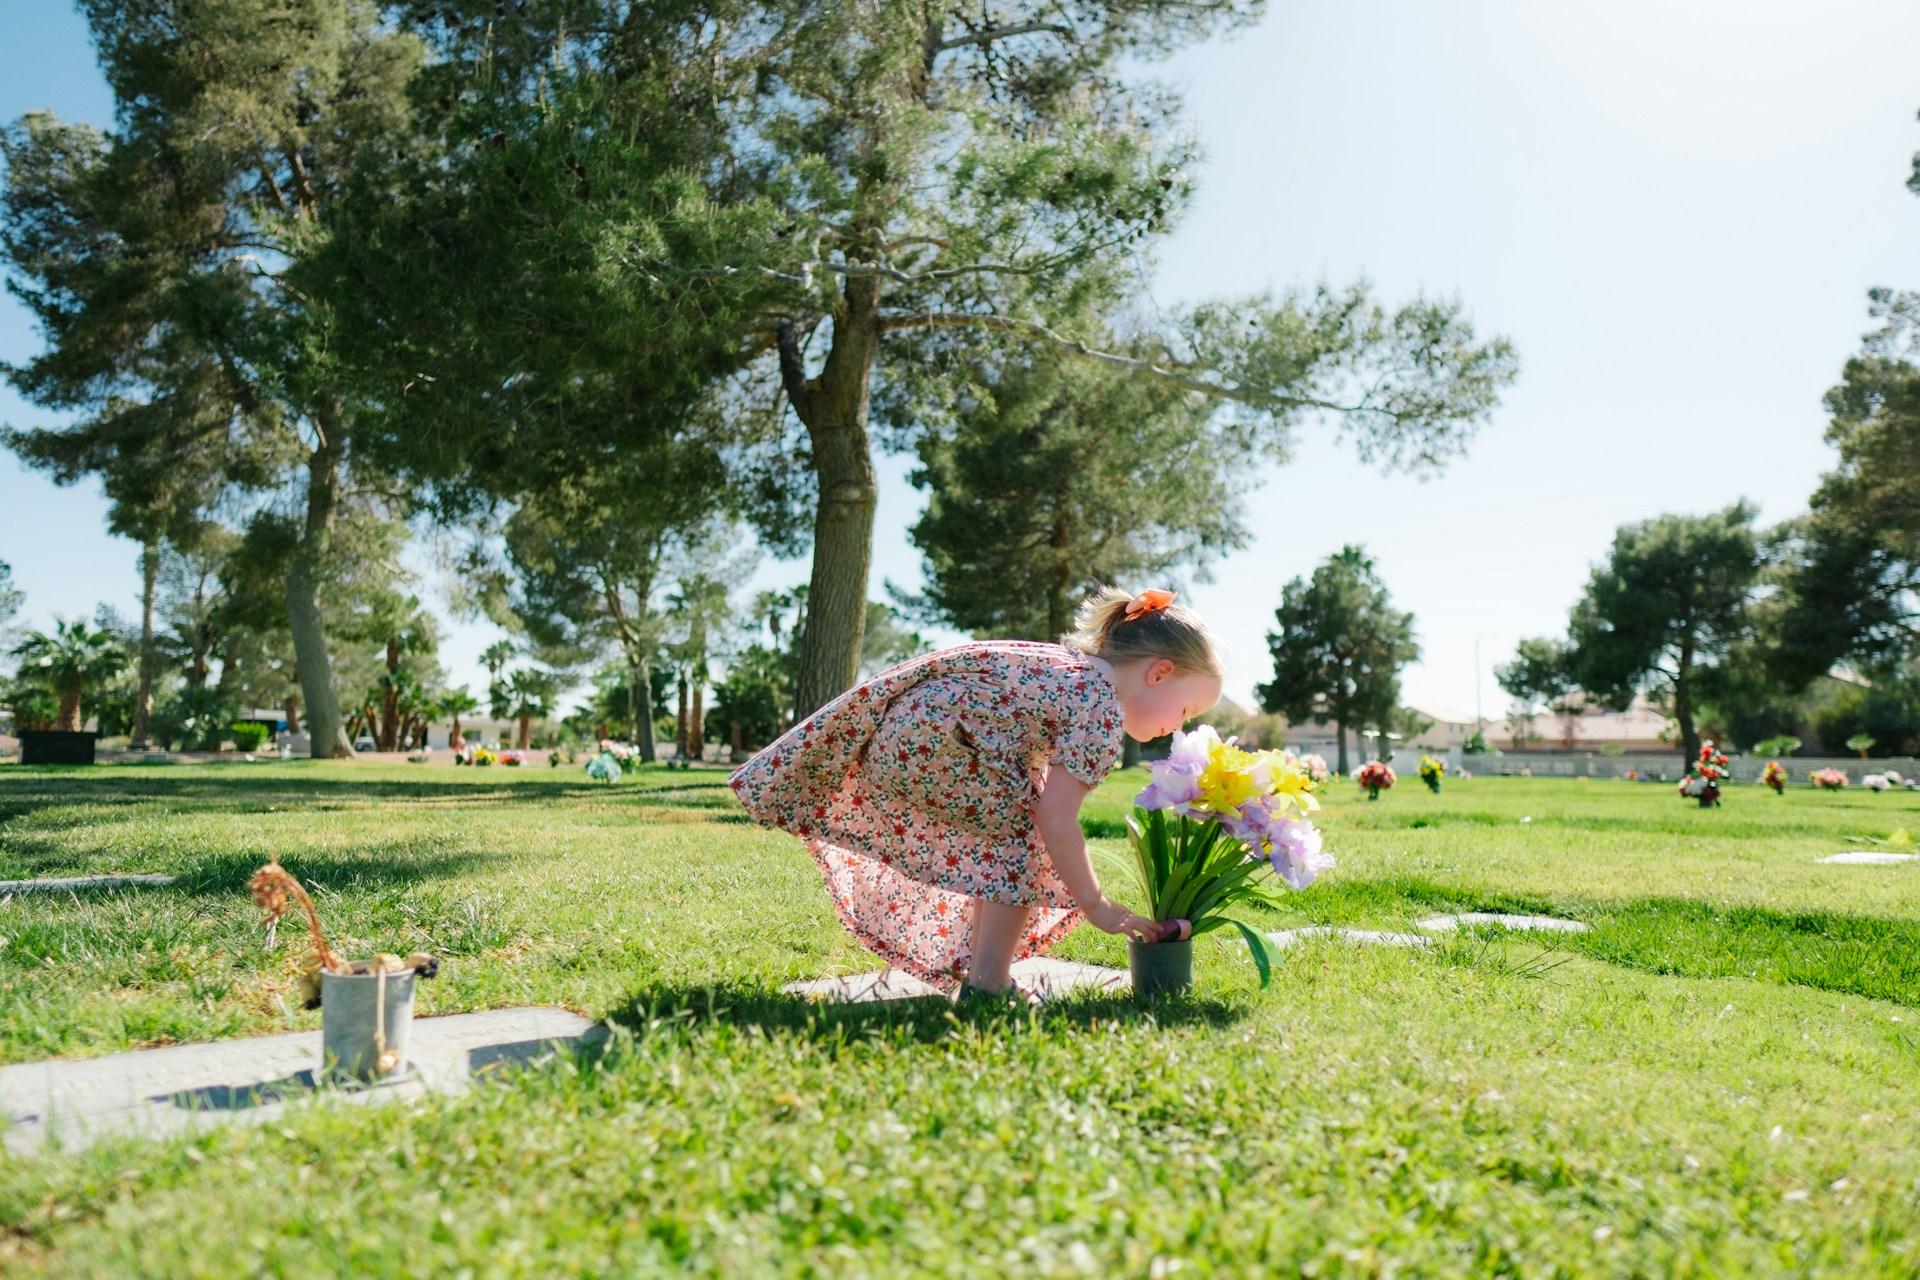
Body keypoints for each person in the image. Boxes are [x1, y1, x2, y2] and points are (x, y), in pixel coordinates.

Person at [729, 586, 1225, 1002]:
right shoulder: (1100, 710)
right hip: (944, 746)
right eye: (1184, 711)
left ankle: (984, 973)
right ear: (1159, 673)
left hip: (907, 736)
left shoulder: (1066, 666)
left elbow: (953, 663)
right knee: (1025, 844)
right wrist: (1095, 904)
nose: (1176, 726)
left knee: (1008, 843)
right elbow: (1058, 819)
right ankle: (988, 982)